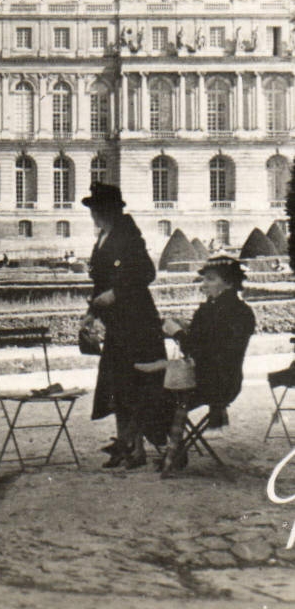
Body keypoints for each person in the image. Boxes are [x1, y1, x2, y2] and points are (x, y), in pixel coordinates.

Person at [82, 182, 167, 469]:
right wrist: (92, 311)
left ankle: (135, 446)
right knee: (117, 386)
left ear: (109, 211)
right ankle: (127, 443)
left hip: (138, 324)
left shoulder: (128, 235)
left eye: (96, 209)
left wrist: (115, 294)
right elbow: (100, 281)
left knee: (134, 386)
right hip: (119, 325)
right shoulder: (105, 236)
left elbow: (146, 272)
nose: (93, 214)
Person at [145, 257, 256, 474]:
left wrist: (176, 332)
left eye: (211, 279)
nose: (203, 284)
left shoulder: (220, 311)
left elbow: (202, 351)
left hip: (212, 383)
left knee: (149, 397)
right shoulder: (233, 310)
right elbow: (204, 344)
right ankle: (175, 452)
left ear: (229, 283)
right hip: (220, 380)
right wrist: (186, 330)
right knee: (153, 395)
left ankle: (174, 452)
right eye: (204, 279)